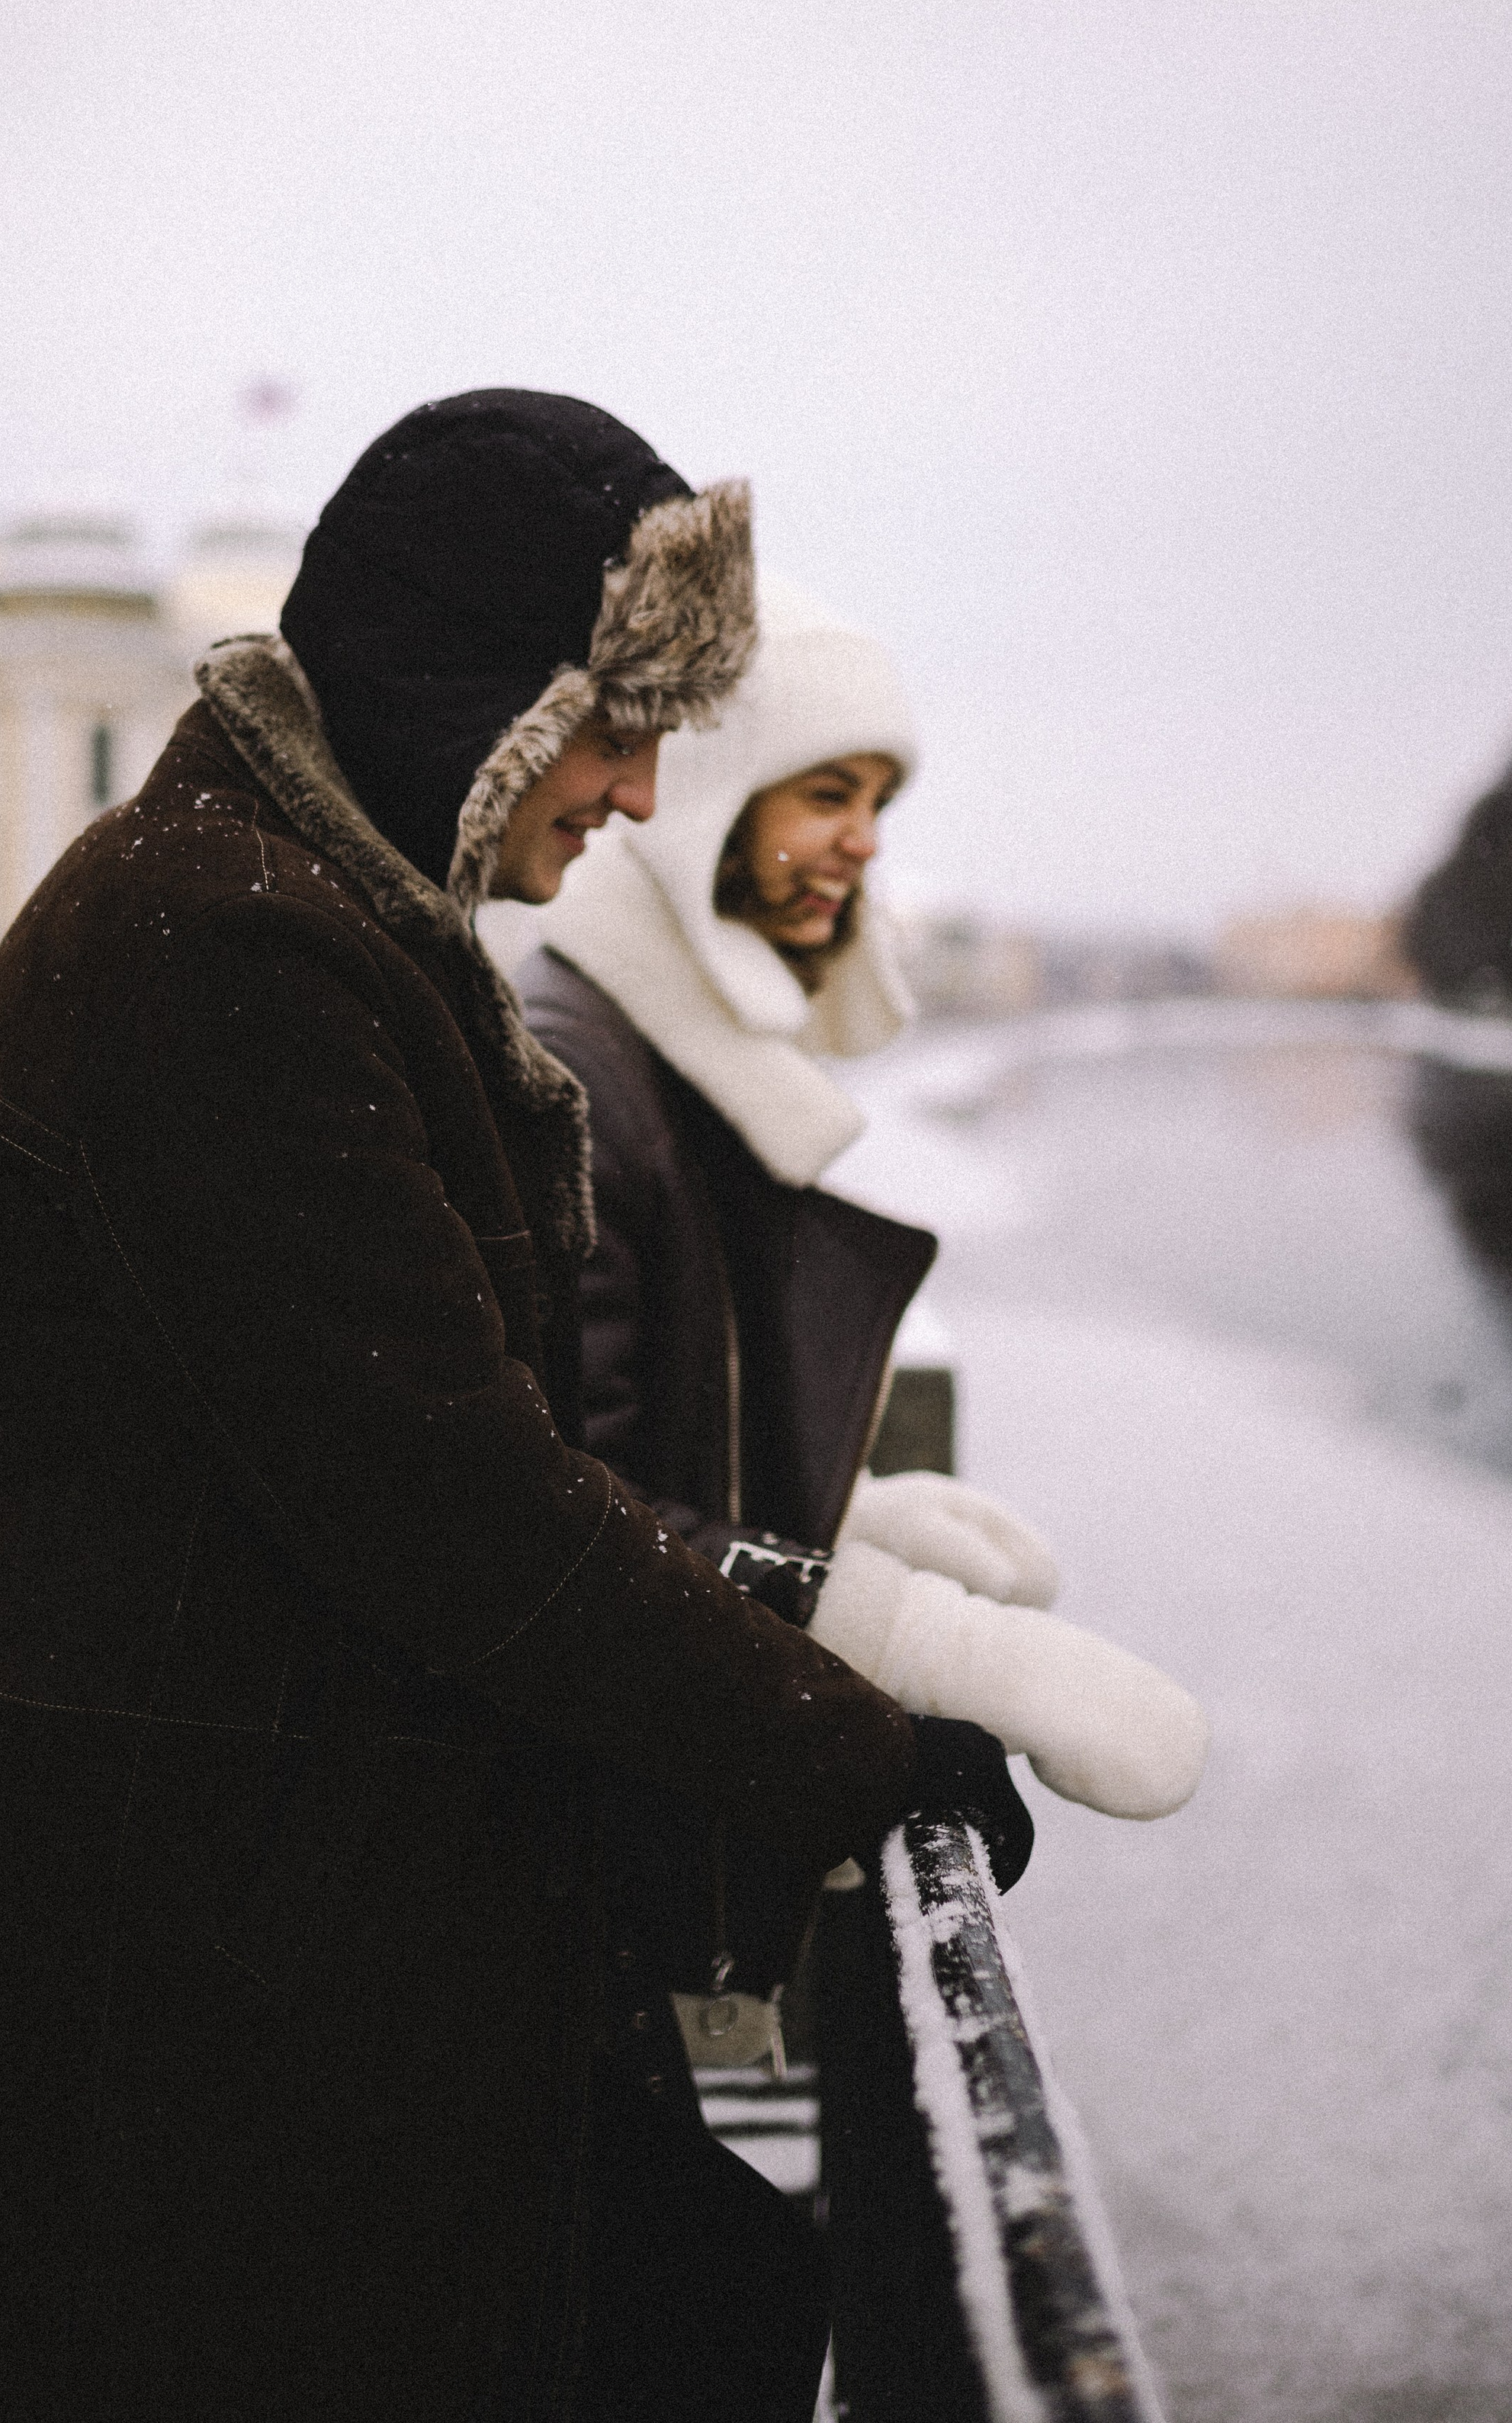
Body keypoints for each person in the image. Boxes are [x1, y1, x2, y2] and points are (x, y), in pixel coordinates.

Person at [0, 393, 1031, 2423]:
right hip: (170, 2052)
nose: (644, 793)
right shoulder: (227, 946)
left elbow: (450, 1468)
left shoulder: (302, 918)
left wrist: (794, 1630)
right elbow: (456, 1503)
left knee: (704, 2304)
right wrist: (850, 1748)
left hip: (224, 1998)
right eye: (620, 722)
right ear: (476, 692)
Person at [518, 584, 1209, 2041]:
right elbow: (571, 1519)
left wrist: (853, 1509)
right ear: (706, 800)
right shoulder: (590, 1077)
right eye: (828, 791)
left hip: (605, 1859)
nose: (863, 842)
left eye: (881, 800)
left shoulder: (666, 1063)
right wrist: (946, 1649)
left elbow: (654, 1442)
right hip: (564, 1886)